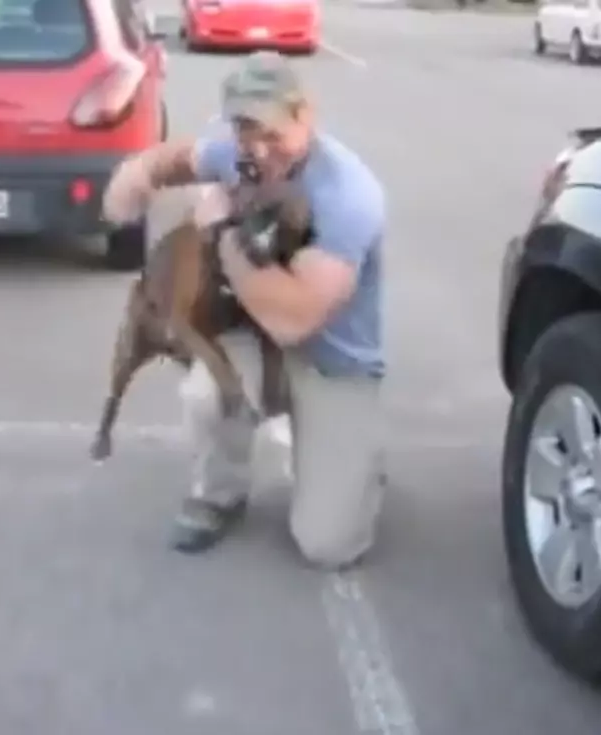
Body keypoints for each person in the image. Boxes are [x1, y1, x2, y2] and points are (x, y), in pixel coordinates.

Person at [101, 51, 386, 571]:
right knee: (207, 392)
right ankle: (219, 493)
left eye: (270, 131)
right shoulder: (236, 153)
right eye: (244, 128)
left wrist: (221, 233)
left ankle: (355, 466)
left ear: (305, 116)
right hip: (254, 339)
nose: (257, 147)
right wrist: (132, 180)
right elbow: (177, 159)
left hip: (332, 360)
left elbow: (293, 316)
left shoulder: (348, 194)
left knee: (328, 544)